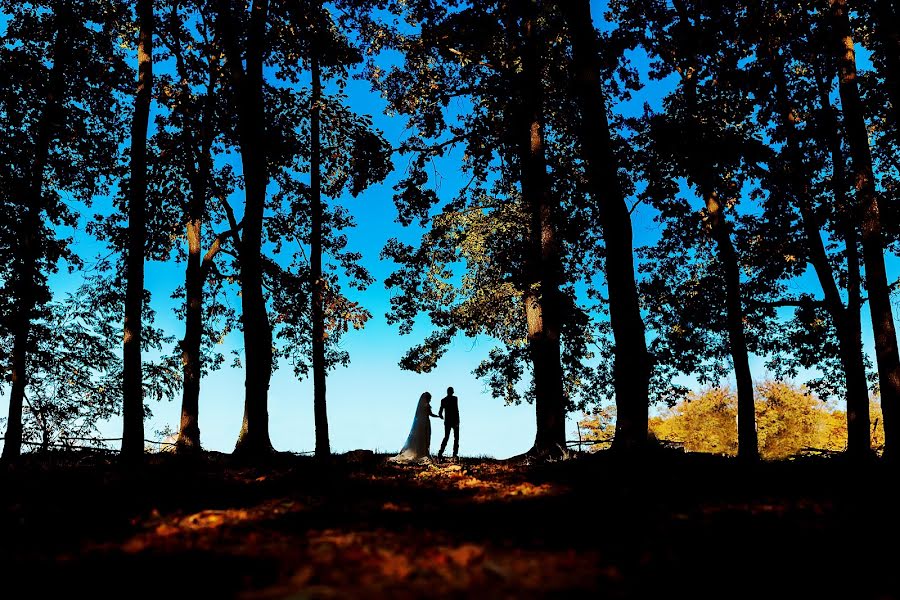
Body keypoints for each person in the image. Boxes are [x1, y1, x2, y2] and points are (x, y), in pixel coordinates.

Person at [388, 392, 440, 463]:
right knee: (425, 437)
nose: (430, 400)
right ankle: (423, 452)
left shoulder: (421, 405)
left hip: (422, 422)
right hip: (425, 423)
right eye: (429, 398)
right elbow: (430, 414)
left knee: (421, 438)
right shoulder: (426, 405)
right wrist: (438, 416)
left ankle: (420, 452)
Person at [438, 386, 459, 461]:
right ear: (452, 392)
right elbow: (456, 410)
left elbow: (440, 411)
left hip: (448, 421)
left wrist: (441, 415)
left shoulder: (443, 400)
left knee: (447, 437)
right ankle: (454, 453)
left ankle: (441, 452)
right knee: (455, 438)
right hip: (453, 420)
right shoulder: (455, 398)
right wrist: (457, 420)